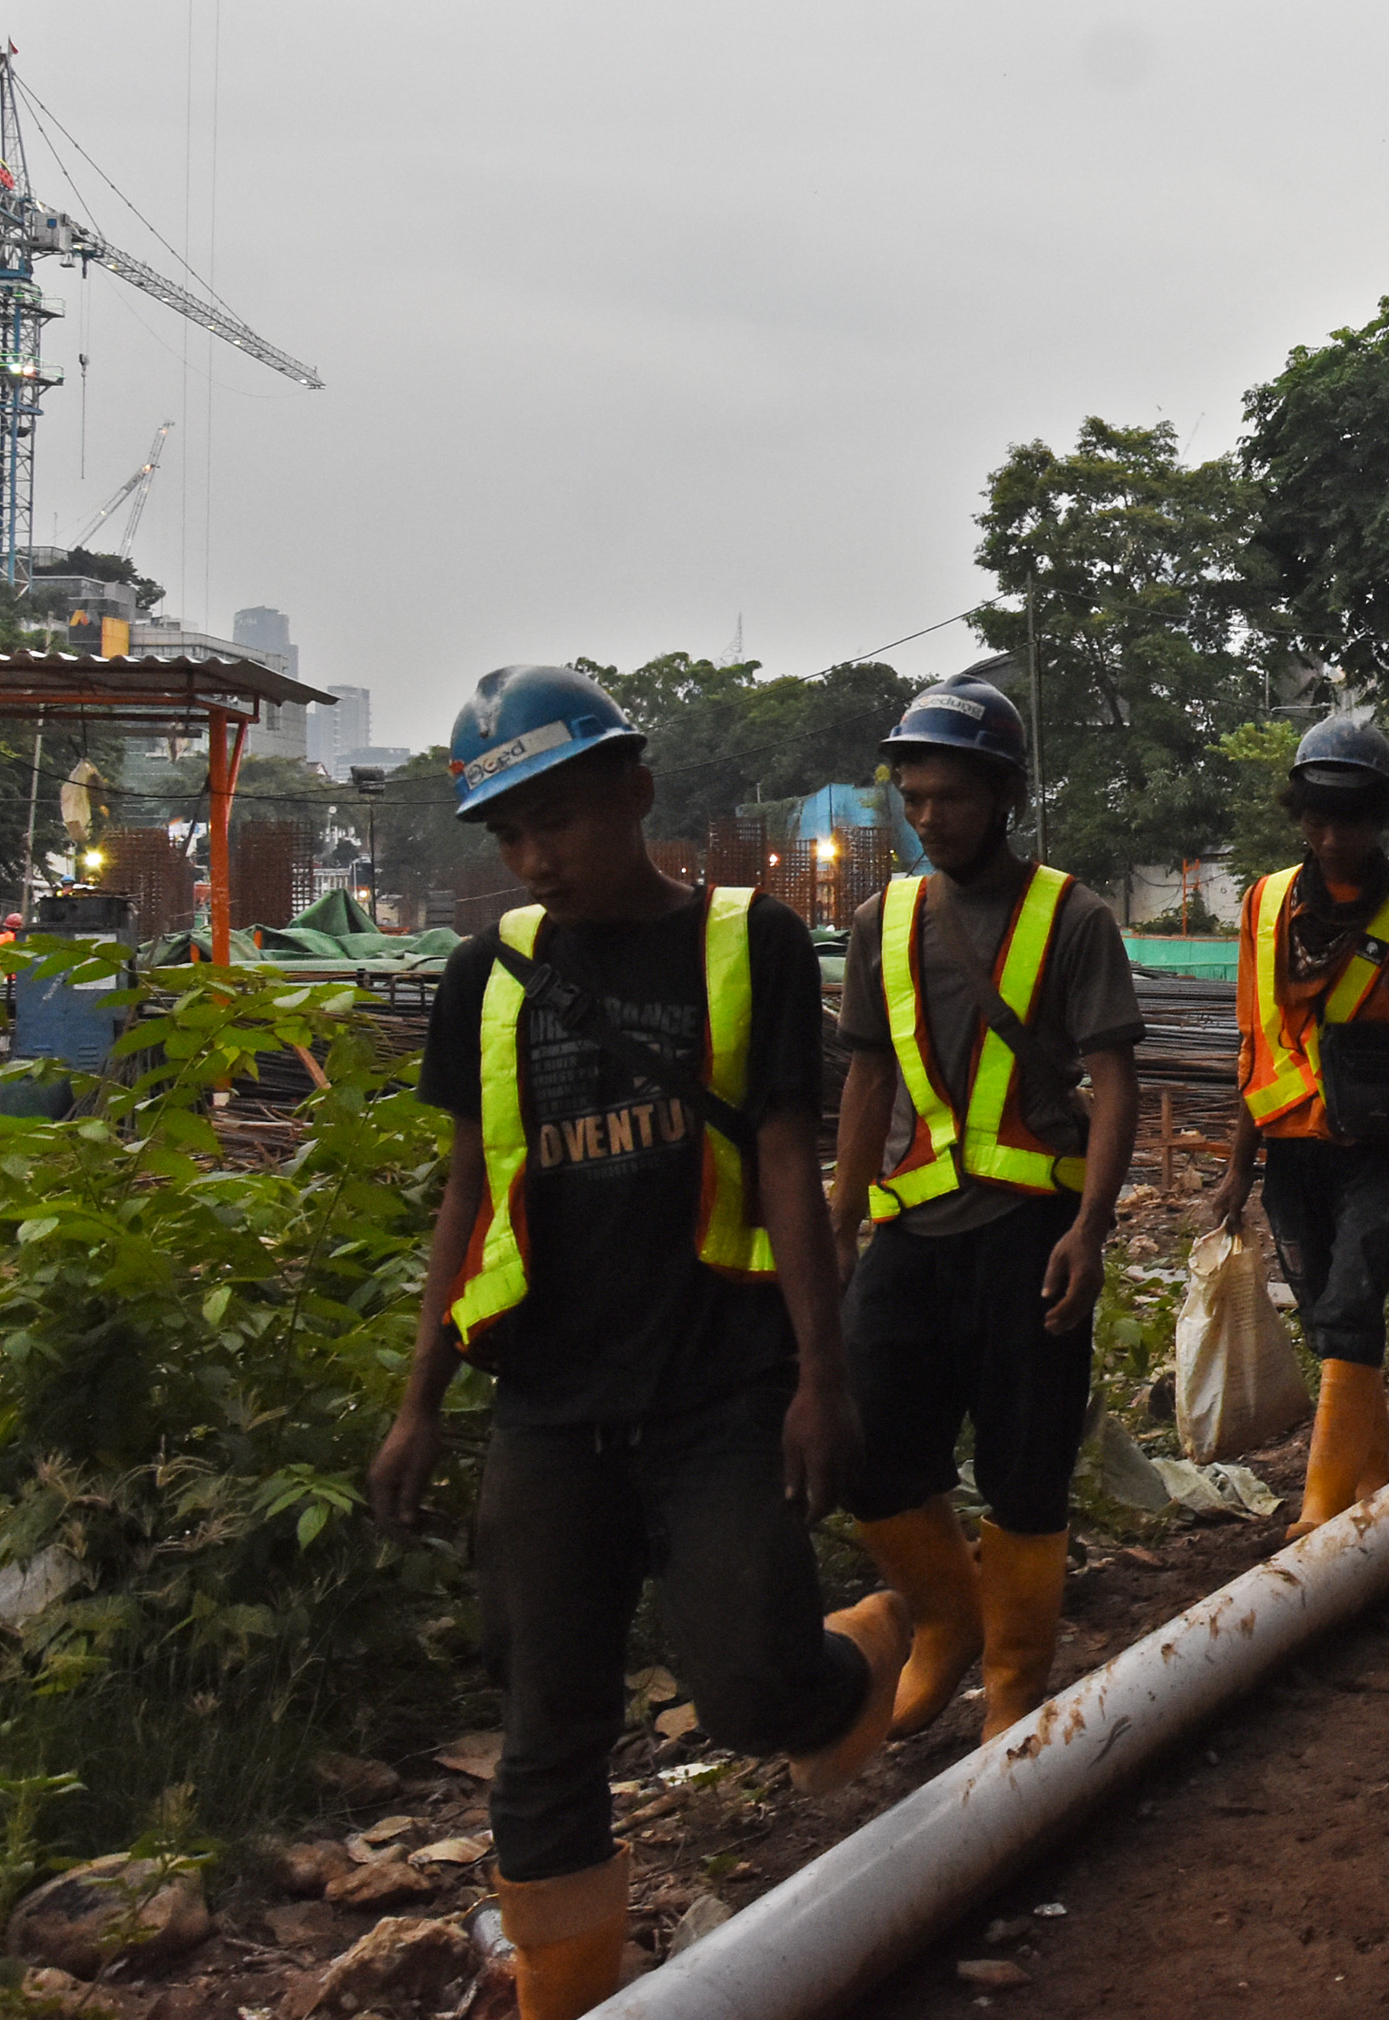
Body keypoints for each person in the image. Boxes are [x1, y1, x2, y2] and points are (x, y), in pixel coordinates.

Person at [366, 667, 900, 2020]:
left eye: (560, 820)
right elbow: (468, 1190)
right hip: (549, 1408)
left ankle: (868, 1647)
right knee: (545, 1737)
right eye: (511, 834)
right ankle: (572, 2000)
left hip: (721, 1388)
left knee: (752, 1689)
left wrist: (820, 1375)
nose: (539, 856)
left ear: (635, 790)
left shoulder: (750, 942)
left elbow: (785, 1155)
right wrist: (419, 1401)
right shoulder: (486, 981)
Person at [825, 677, 1145, 1745]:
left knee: (1026, 1465)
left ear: (1002, 793)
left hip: (1027, 1237)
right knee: (866, 1445)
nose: (928, 817)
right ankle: (948, 1618)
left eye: (949, 796)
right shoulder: (884, 921)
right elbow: (866, 1081)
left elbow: (1113, 1078)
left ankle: (1013, 1681)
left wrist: (1090, 1229)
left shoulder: (1075, 916)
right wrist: (839, 1224)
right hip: (910, 1235)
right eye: (914, 797)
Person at [1212, 717, 1389, 1534]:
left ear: (1378, 819)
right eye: (1316, 818)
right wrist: (1236, 1169)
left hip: (1379, 1146)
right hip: (1288, 1151)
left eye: (1351, 819)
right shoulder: (1265, 904)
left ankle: (1319, 1512)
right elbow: (1252, 1043)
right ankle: (1372, 1480)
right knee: (1328, 1313)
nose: (1332, 837)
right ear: (1298, 815)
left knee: (1352, 1297)